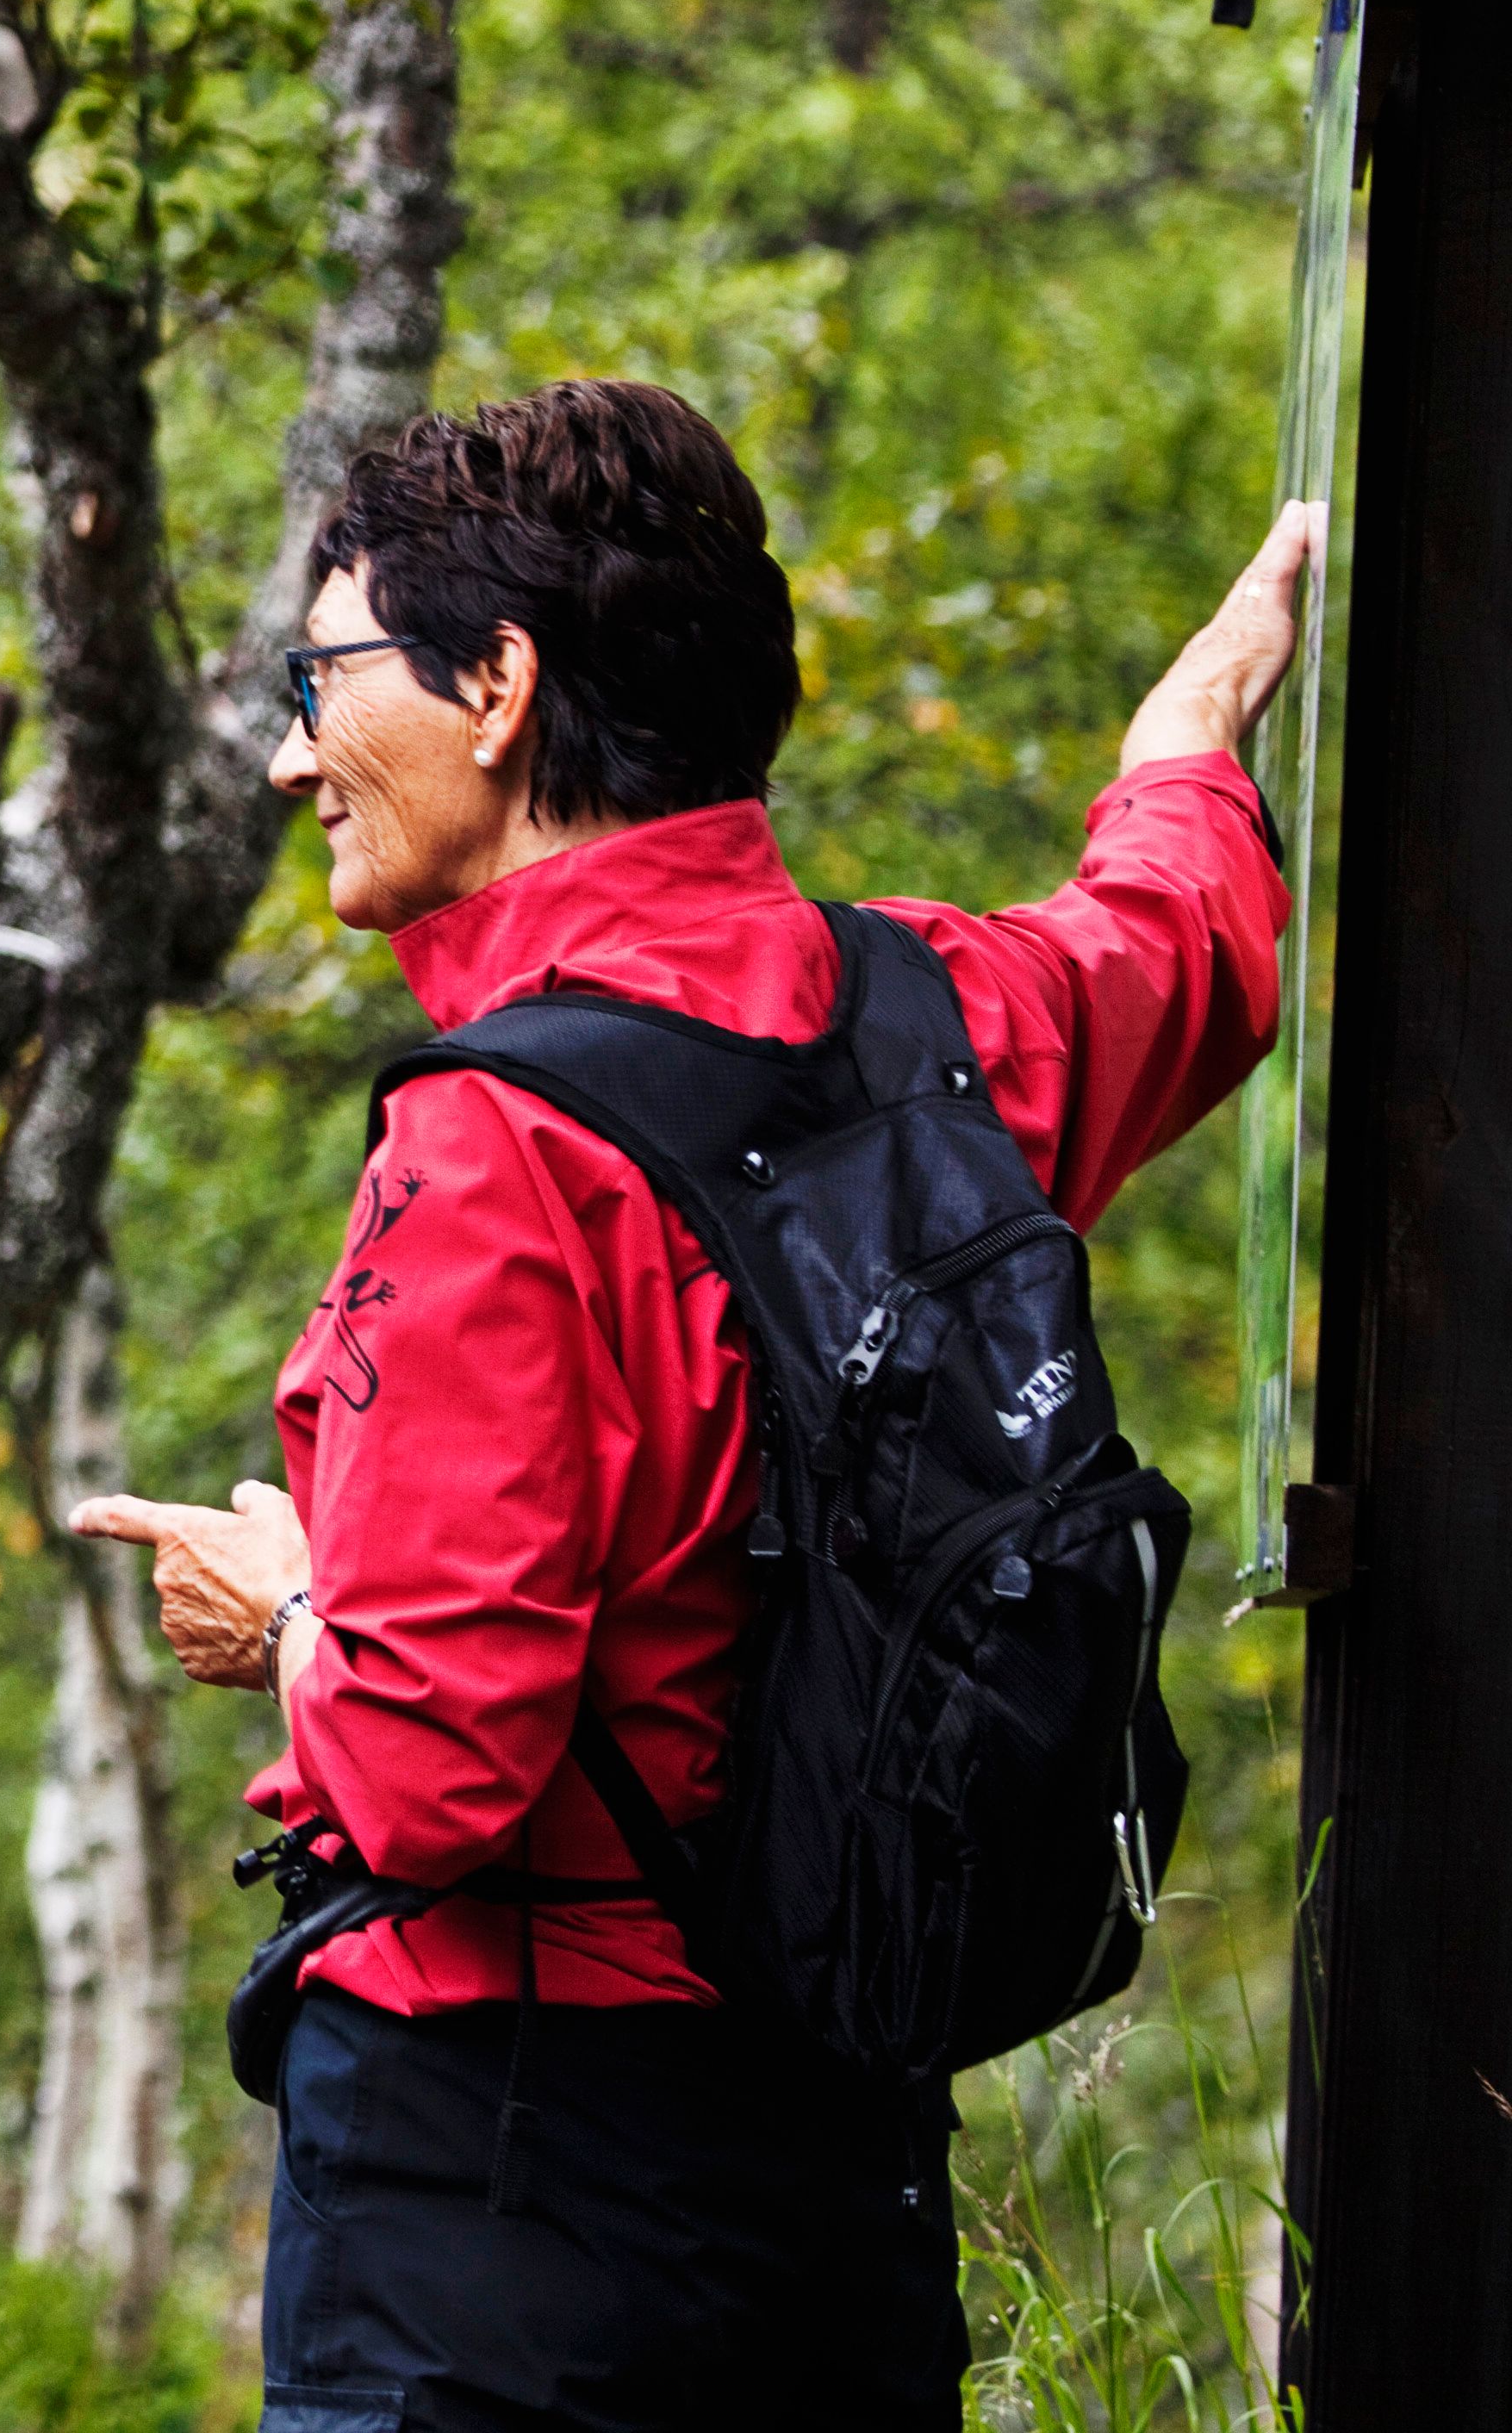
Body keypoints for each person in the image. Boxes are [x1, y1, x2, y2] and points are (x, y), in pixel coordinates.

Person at [73, 382, 1301, 2431]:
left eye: (323, 674)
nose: (295, 750)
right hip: (844, 2174)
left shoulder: (493, 1154)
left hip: (508, 2200)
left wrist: (278, 1614)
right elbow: (1183, 955)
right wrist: (1183, 758)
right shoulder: (936, 1027)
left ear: (499, 690)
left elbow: (430, 1768)